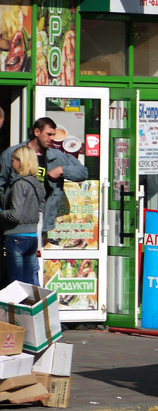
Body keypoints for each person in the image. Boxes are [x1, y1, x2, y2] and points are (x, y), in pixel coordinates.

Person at [0, 117, 89, 246]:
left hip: (43, 221)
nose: (52, 138)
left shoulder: (56, 156)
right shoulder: (13, 154)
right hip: (16, 223)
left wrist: (61, 169)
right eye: (49, 134)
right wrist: (6, 212)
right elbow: (1, 184)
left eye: (54, 135)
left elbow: (83, 172)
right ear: (37, 132)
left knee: (36, 261)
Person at [1, 145, 45, 285]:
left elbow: (15, 215)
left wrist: (1, 213)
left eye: (14, 160)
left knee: (16, 284)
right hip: (32, 237)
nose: (11, 163)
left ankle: (17, 307)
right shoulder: (38, 184)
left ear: (21, 162)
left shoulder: (19, 185)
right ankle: (30, 307)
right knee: (28, 285)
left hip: (16, 238)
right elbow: (40, 210)